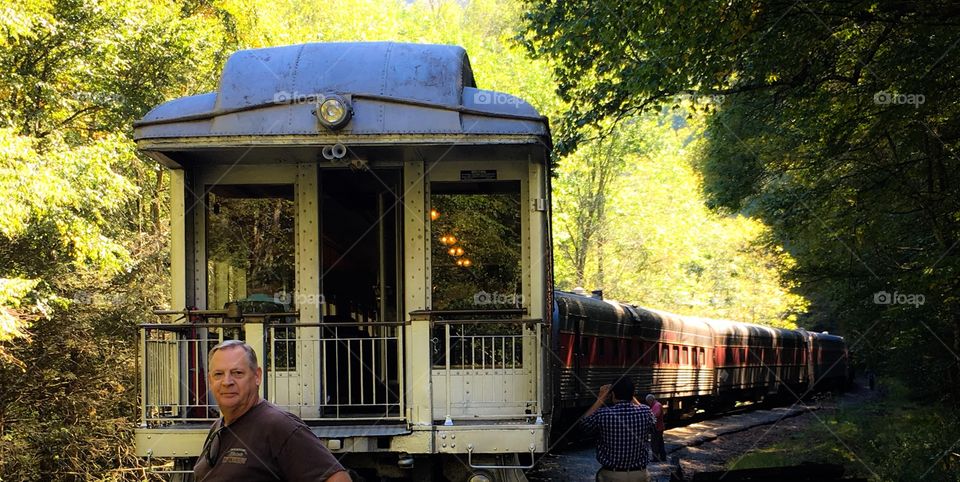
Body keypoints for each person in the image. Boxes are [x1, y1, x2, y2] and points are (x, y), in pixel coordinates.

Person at [194, 340, 352, 481]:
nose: (227, 382)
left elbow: (338, 479)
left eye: (237, 373)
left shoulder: (278, 426)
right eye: (219, 374)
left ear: (257, 376)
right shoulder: (218, 427)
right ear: (210, 381)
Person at [581, 378, 655, 482]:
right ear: (632, 394)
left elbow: (584, 423)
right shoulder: (646, 412)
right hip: (639, 475)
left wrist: (600, 399)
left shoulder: (603, 414)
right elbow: (653, 421)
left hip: (611, 475)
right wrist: (629, 395)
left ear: (613, 395)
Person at [644, 394, 666, 462]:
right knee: (660, 443)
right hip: (659, 427)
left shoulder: (656, 405)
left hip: (657, 428)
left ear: (651, 400)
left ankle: (655, 458)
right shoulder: (656, 404)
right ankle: (663, 457)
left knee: (654, 444)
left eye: (648, 402)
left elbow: (655, 415)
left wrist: (648, 417)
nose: (648, 403)